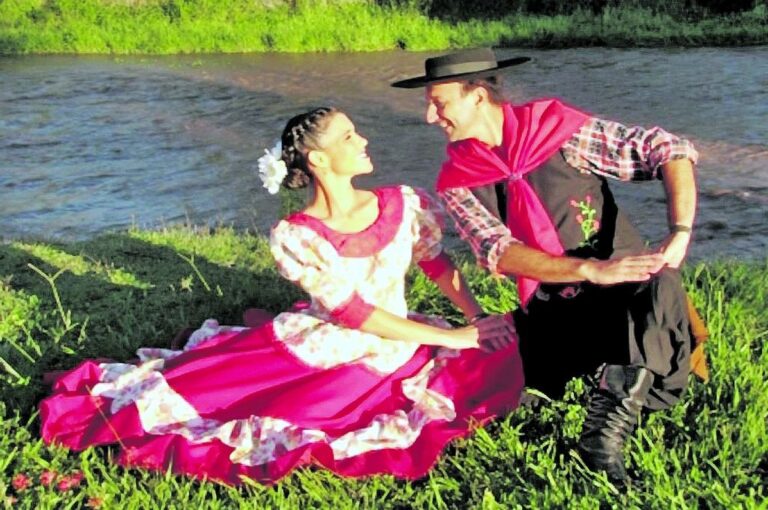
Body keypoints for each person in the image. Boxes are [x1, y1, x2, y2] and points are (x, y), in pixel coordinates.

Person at [39, 107, 523, 486]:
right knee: (233, 407)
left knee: (497, 358)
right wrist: (458, 338)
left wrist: (477, 320)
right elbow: (354, 315)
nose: (364, 141)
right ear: (317, 159)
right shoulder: (296, 236)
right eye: (349, 137)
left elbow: (436, 263)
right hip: (333, 345)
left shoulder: (403, 202)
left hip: (398, 330)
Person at [392, 48, 702, 483]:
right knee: (495, 372)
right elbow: (497, 251)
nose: (429, 116)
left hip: (624, 290)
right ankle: (604, 371)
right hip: (552, 302)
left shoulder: (557, 130)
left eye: (438, 103)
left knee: (658, 283)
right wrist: (587, 271)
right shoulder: (457, 179)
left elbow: (668, 150)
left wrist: (680, 230)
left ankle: (602, 438)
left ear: (477, 96)